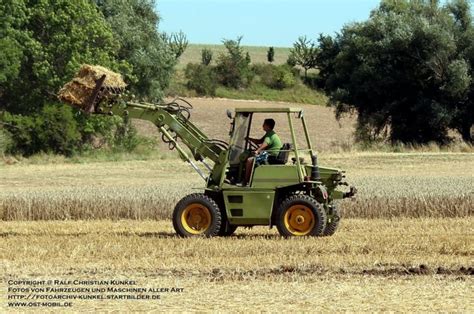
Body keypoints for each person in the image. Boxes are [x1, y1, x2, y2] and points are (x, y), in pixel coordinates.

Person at [241, 118, 282, 186]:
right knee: (251, 157)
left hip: (271, 156)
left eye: (264, 124)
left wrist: (257, 151)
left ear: (268, 126)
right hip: (271, 154)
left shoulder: (269, 135)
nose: (262, 126)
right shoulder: (270, 133)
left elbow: (265, 144)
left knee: (249, 160)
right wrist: (249, 139)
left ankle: (246, 181)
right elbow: (259, 141)